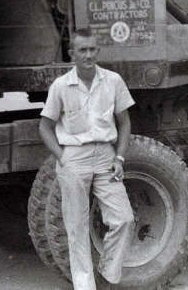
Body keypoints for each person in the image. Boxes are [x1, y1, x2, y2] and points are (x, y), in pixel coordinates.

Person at [39, 28, 135, 290]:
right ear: (72, 53)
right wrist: (62, 158)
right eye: (83, 50)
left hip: (105, 155)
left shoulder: (113, 81)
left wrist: (120, 158)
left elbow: (124, 122)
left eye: (93, 49)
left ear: (98, 51)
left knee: (123, 218)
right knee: (77, 229)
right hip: (74, 158)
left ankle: (107, 276)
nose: (88, 55)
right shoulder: (61, 86)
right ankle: (85, 287)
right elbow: (45, 127)